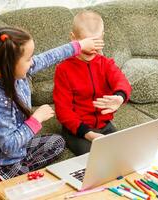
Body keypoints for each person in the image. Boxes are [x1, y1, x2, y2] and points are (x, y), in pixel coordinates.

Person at [0, 26, 104, 184]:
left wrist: (79, 46)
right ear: (11, 64)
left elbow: (49, 57)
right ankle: (16, 178)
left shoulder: (17, 71)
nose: (32, 61)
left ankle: (23, 171)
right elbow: (8, 146)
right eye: (28, 59)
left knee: (58, 142)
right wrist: (36, 119)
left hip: (20, 149)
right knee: (30, 186)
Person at [53, 10, 132, 156]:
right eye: (87, 43)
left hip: (104, 126)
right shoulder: (63, 69)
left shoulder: (106, 64)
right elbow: (63, 111)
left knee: (124, 153)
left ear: (103, 38)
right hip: (77, 130)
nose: (92, 49)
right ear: (73, 38)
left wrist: (120, 97)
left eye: (97, 42)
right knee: (98, 157)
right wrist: (88, 134)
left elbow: (122, 81)